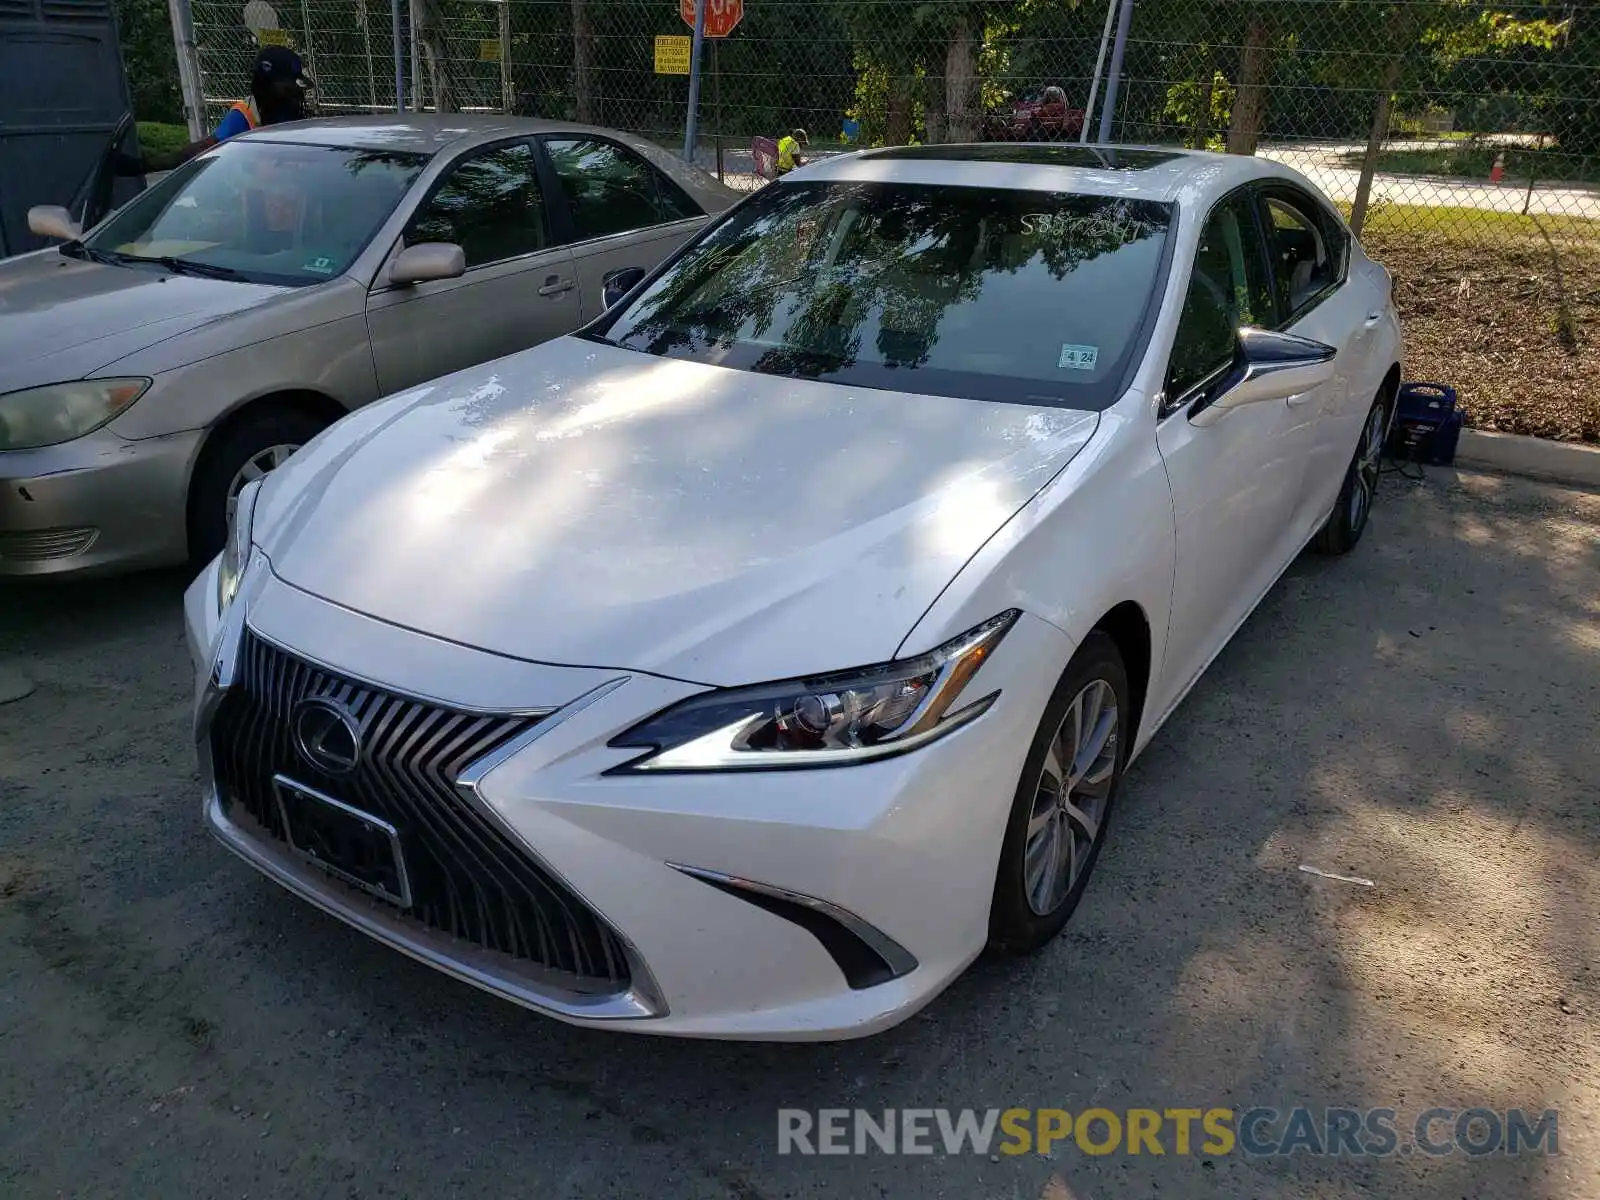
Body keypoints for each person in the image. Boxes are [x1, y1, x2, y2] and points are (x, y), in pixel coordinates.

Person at [114, 46, 314, 176]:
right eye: (288, 86)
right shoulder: (246, 116)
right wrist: (146, 166)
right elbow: (201, 151)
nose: (296, 92)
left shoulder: (295, 114)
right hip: (262, 210)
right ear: (267, 83)